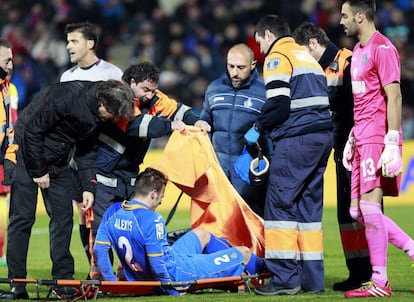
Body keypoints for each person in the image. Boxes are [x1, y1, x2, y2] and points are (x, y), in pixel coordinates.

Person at [0, 80, 134, 300]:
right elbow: (32, 130)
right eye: (111, 114)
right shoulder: (67, 97)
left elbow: (86, 150)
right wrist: (38, 169)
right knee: (22, 218)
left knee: (63, 219)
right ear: (102, 103)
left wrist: (88, 186)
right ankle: (17, 284)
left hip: (58, 161)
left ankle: (62, 281)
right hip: (26, 154)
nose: (112, 119)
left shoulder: (99, 112)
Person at [89, 61, 210, 279]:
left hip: (128, 172)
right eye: (146, 89)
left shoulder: (153, 96)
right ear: (132, 82)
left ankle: (124, 272)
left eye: (153, 90)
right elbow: (137, 125)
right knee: (101, 225)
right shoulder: (117, 95)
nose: (149, 95)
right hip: (105, 173)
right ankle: (97, 276)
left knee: (130, 226)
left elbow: (178, 110)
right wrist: (169, 126)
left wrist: (199, 121)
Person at [247, 15, 334, 295]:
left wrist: (257, 127)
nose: (258, 47)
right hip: (322, 138)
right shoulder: (307, 56)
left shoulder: (278, 57)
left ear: (268, 34)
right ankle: (312, 280)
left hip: (297, 137)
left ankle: (284, 278)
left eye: (259, 40)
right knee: (309, 211)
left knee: (280, 204)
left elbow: (279, 105)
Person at [340, 0, 414, 298]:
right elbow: (363, 99)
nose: (341, 21)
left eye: (345, 15)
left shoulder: (382, 48)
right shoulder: (358, 51)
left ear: (360, 16)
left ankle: (380, 280)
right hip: (362, 137)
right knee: (357, 210)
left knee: (369, 209)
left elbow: (393, 97)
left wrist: (393, 140)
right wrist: (352, 135)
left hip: (377, 138)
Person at [93, 167, 265, 296]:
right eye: (161, 197)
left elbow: (99, 250)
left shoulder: (113, 211)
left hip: (162, 265)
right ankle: (270, 269)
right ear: (153, 194)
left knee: (201, 233)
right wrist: (170, 288)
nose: (160, 202)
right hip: (179, 273)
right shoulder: (152, 220)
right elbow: (157, 263)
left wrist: (112, 283)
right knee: (243, 253)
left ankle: (230, 267)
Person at [292, 22, 372, 291]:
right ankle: (357, 272)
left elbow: (359, 107)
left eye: (302, 51)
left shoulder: (348, 62)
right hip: (338, 149)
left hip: (355, 148)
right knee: (343, 215)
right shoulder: (316, 69)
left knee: (361, 213)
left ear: (313, 43)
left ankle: (372, 273)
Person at [60, 21, 123, 268]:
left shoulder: (111, 74)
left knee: (109, 214)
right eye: (67, 41)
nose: (68, 46)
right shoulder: (67, 77)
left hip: (107, 157)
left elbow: (123, 114)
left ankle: (121, 267)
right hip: (78, 157)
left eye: (73, 41)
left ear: (90, 43)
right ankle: (95, 268)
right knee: (83, 214)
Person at [195, 43, 269, 218]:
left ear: (252, 65)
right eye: (231, 66)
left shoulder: (265, 91)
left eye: (241, 67)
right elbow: (206, 119)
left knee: (252, 225)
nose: (235, 72)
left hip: (249, 174)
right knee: (221, 226)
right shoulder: (214, 88)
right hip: (219, 172)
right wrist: (201, 123)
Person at [0, 39, 18, 268]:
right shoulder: (9, 89)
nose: (12, 64)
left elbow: (11, 123)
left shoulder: (7, 88)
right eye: (7, 60)